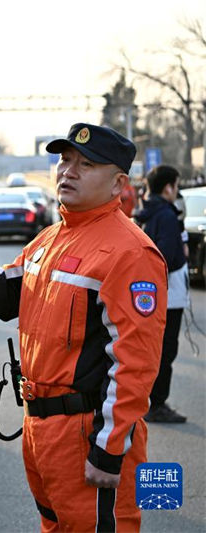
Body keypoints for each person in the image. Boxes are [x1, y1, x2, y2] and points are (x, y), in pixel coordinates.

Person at [0, 123, 167, 531]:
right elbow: (9, 297)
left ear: (119, 183)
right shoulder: (49, 239)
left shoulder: (131, 252)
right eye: (65, 160)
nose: (69, 171)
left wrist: (108, 449)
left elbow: (134, 363)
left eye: (87, 163)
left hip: (87, 434)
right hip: (40, 430)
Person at [136, 164, 189, 423]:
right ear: (168, 187)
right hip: (167, 296)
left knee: (156, 351)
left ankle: (151, 401)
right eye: (176, 186)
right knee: (165, 352)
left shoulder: (151, 212)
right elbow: (164, 257)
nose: (176, 191)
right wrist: (180, 255)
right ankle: (157, 404)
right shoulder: (166, 215)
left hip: (155, 296)